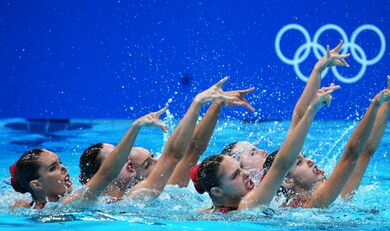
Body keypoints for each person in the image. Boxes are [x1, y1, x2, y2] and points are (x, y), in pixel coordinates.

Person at [79, 77, 254, 201]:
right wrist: (197, 103)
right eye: (147, 164)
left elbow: (192, 151)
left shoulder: (163, 190)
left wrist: (217, 103)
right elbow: (174, 156)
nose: (158, 161)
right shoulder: (138, 196)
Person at [262, 76, 390, 208]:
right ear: (287, 180)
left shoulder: (336, 195)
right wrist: (375, 104)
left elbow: (365, 153)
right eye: (299, 162)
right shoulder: (314, 203)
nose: (310, 161)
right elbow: (351, 155)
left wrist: (386, 104)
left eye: (305, 158)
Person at [190, 84, 340, 212]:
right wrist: (312, 110)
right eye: (236, 174)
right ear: (217, 191)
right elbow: (282, 165)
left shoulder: (210, 212)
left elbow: (295, 123)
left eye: (241, 170)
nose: (246, 174)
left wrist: (318, 71)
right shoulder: (248, 204)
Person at [220, 41, 350, 180]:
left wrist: (318, 69)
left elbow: (298, 116)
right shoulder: (250, 197)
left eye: (256, 149)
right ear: (242, 170)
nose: (264, 151)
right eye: (253, 153)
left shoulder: (285, 168)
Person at [9, 108, 168, 209]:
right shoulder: (67, 205)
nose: (64, 168)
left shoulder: (25, 207)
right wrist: (135, 127)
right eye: (53, 168)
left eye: (61, 163)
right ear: (36, 185)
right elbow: (106, 174)